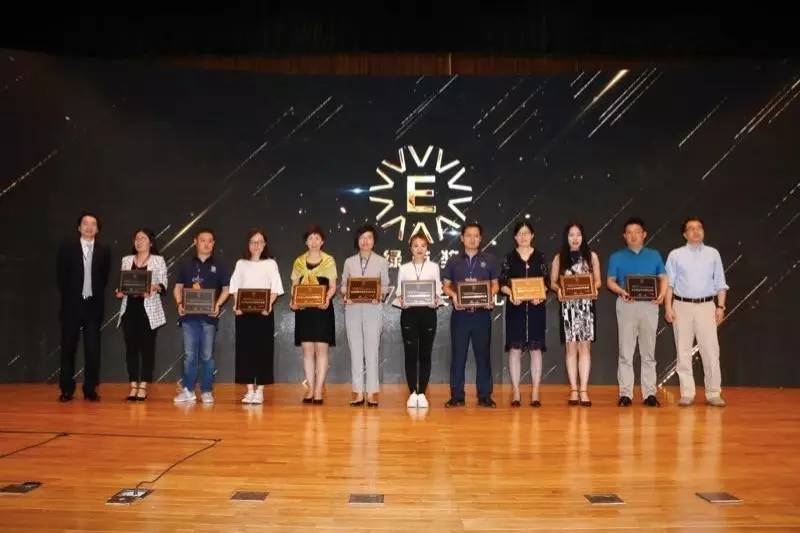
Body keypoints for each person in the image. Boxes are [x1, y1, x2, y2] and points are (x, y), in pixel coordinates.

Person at [664, 216, 728, 407]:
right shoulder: (675, 255)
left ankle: (713, 392)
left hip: (707, 306)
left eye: (699, 227)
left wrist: (721, 306)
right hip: (681, 306)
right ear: (685, 234)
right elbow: (669, 284)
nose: (696, 231)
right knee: (683, 350)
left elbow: (721, 283)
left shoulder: (713, 254)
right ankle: (687, 393)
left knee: (711, 351)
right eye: (691, 228)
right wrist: (668, 307)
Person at [606, 217, 668, 407]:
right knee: (625, 351)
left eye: (637, 232)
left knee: (648, 352)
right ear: (624, 236)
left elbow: (664, 277)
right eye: (629, 232)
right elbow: (610, 281)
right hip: (627, 304)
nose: (633, 236)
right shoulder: (616, 257)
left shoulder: (654, 255)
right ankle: (626, 393)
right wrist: (621, 291)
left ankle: (649, 393)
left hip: (650, 306)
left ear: (644, 234)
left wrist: (662, 294)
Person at [442, 222, 500, 408]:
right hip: (460, 316)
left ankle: (485, 395)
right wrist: (454, 296)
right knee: (458, 356)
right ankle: (457, 396)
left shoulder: (490, 260)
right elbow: (446, 286)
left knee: (483, 356)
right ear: (462, 238)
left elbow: (495, 284)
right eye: (468, 235)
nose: (472, 239)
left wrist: (490, 296)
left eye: (476, 236)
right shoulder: (453, 261)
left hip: (481, 315)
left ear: (480, 239)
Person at [56, 212, 111, 402]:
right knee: (68, 349)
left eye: (93, 224)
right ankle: (66, 389)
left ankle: (90, 389)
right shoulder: (67, 248)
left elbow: (103, 278)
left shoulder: (104, 251)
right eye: (85, 223)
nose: (89, 227)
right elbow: (61, 277)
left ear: (98, 229)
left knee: (93, 350)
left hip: (93, 307)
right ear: (79, 227)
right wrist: (72, 297)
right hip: (71, 306)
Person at [172, 228, 230, 404]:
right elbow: (177, 288)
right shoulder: (185, 264)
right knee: (190, 356)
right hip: (189, 318)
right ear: (195, 242)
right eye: (203, 240)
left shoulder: (220, 265)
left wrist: (218, 305)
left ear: (213, 244)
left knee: (207, 356)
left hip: (209, 318)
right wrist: (179, 304)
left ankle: (206, 391)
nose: (206, 244)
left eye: (210, 241)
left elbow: (227, 289)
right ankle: (188, 390)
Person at [229, 228, 284, 405]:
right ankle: (249, 390)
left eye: (260, 242)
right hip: (244, 314)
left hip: (264, 314)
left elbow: (275, 288)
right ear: (248, 244)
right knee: (244, 351)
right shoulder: (241, 263)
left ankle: (259, 390)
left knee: (263, 351)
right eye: (253, 242)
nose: (256, 245)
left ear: (264, 244)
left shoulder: (271, 263)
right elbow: (235, 287)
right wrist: (237, 305)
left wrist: (268, 305)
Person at [550, 221, 601, 407]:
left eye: (578, 234)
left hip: (586, 307)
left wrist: (593, 288)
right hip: (568, 308)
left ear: (583, 236)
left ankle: (584, 390)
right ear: (566, 237)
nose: (575, 238)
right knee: (571, 349)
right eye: (571, 235)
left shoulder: (591, 256)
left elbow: (598, 281)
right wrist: (559, 290)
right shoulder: (559, 257)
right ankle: (573, 389)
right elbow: (553, 282)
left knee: (585, 348)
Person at [115, 228, 168, 401]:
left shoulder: (158, 260)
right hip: (129, 310)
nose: (139, 241)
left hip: (148, 311)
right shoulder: (126, 260)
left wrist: (154, 287)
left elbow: (164, 285)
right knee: (131, 349)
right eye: (137, 238)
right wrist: (119, 291)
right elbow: (122, 283)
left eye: (143, 238)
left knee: (147, 349)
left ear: (150, 242)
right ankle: (133, 385)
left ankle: (143, 386)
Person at [499, 221, 548, 407]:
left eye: (526, 233)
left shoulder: (540, 257)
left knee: (536, 350)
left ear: (532, 235)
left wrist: (540, 295)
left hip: (536, 309)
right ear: (515, 237)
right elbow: (502, 282)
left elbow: (546, 283)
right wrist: (511, 293)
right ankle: (516, 392)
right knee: (515, 349)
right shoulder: (509, 257)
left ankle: (535, 392)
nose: (523, 236)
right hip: (516, 308)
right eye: (520, 233)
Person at [341, 225, 391, 407]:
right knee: (355, 350)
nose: (365, 241)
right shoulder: (349, 262)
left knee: (372, 351)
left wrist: (378, 295)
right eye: (362, 237)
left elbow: (385, 286)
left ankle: (372, 392)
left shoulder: (381, 261)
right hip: (353, 310)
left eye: (369, 237)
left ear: (374, 241)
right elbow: (343, 286)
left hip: (373, 310)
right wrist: (346, 295)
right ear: (357, 240)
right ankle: (357, 392)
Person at [393, 231, 442, 409]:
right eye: (416, 246)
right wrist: (402, 300)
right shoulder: (404, 268)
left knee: (425, 354)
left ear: (427, 248)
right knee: (411, 354)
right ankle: (412, 392)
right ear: (410, 249)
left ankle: (422, 393)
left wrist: (435, 299)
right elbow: (399, 291)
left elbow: (438, 290)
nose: (419, 249)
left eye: (423, 245)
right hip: (409, 315)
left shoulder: (434, 267)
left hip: (428, 314)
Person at [290, 224, 337, 405]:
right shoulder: (298, 262)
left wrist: (327, 299)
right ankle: (310, 388)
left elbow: (332, 286)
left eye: (317, 238)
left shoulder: (329, 260)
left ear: (322, 241)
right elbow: (294, 285)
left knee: (321, 350)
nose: (314, 242)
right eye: (310, 238)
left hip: (322, 310)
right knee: (307, 351)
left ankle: (318, 390)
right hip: (304, 311)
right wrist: (293, 301)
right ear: (306, 242)